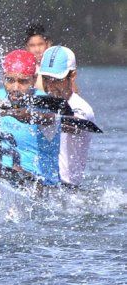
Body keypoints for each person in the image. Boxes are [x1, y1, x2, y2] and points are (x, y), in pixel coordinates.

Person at [0, 49, 63, 190]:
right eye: (10, 80)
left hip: (41, 187)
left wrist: (11, 112)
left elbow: (45, 118)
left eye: (23, 81)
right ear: (2, 77)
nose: (15, 88)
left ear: (34, 80)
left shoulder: (47, 103)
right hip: (3, 182)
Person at [39, 46, 95, 188]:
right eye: (46, 79)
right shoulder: (39, 102)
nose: (50, 86)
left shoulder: (82, 109)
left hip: (66, 190)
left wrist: (29, 116)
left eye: (56, 80)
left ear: (73, 76)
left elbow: (72, 124)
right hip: (40, 184)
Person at [24, 23, 52, 90]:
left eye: (40, 44)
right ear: (26, 48)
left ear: (48, 44)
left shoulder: (55, 66)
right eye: (32, 45)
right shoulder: (24, 68)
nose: (37, 50)